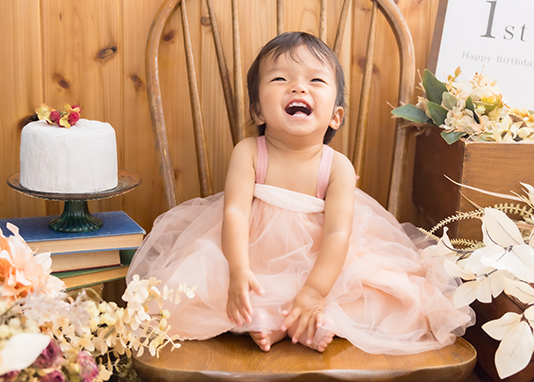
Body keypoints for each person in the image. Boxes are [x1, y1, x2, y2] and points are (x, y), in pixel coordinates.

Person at [127, 31, 474, 353]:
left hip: (324, 266)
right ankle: (272, 320)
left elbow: (338, 234)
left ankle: (317, 316)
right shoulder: (249, 153)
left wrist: (314, 291)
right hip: (253, 258)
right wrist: (238, 270)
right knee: (214, 288)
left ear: (336, 116)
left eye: (316, 81)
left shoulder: (337, 167)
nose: (298, 87)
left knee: (383, 294)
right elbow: (234, 212)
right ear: (258, 111)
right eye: (280, 79)